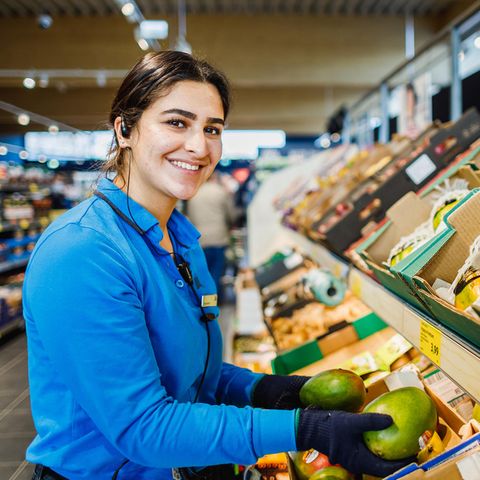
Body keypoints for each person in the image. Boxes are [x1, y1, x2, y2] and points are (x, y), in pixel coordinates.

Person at [24, 51, 412, 480]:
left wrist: (266, 390)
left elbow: (189, 375)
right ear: (125, 128)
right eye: (176, 122)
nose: (198, 146)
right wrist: (304, 430)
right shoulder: (83, 253)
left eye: (212, 129)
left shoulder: (182, 241)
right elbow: (143, 427)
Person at [187, 171, 237, 303]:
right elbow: (231, 215)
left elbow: (190, 218)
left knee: (202, 274)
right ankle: (213, 304)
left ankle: (204, 302)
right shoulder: (220, 192)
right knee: (216, 272)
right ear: (214, 176)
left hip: (200, 240)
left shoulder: (193, 194)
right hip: (218, 239)